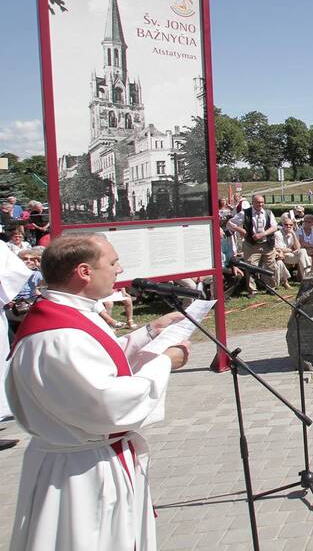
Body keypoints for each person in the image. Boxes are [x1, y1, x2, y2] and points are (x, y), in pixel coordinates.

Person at [6, 234, 191, 551]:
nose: (120, 269)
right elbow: (108, 402)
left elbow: (99, 362)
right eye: (113, 262)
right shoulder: (60, 336)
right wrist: (165, 362)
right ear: (84, 272)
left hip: (82, 458)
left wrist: (149, 333)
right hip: (80, 476)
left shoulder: (65, 314)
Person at [228, 194, 279, 292]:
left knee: (271, 267)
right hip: (251, 245)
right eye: (258, 202)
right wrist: (240, 230)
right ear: (253, 203)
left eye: (262, 202)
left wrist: (263, 234)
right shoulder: (245, 213)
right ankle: (252, 290)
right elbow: (230, 223)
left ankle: (271, 288)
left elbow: (274, 227)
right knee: (250, 267)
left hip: (267, 244)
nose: (260, 204)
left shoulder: (268, 213)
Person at [274, 217, 310, 286]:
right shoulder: (277, 234)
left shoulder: (293, 233)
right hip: (282, 256)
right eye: (286, 224)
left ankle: (306, 278)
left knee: (303, 251)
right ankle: (306, 278)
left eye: (291, 225)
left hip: (290, 255)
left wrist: (293, 235)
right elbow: (278, 248)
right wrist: (290, 250)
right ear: (283, 225)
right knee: (302, 254)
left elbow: (298, 248)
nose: (288, 226)